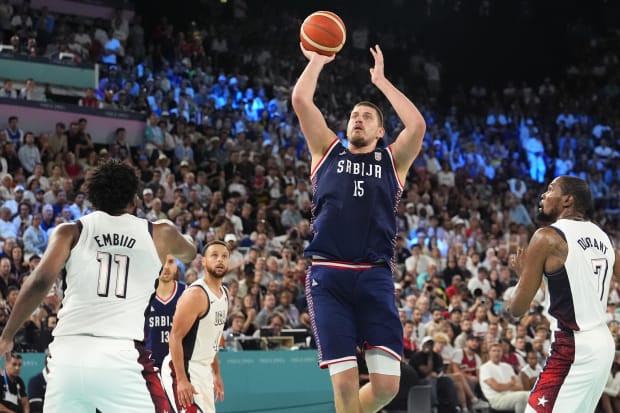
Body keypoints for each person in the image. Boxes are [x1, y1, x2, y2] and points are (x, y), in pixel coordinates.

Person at [292, 42, 426, 413]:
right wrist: (317, 62)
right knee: (347, 384)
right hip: (329, 275)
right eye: (354, 115)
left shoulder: (393, 161)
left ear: (381, 131)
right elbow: (302, 101)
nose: (358, 119)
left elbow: (416, 125)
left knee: (385, 388)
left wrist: (381, 82)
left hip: (375, 275)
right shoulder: (327, 150)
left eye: (367, 116)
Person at [0, 160, 197, 412]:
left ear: (93, 199)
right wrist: (187, 242)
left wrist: (7, 336)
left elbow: (39, 282)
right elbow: (190, 254)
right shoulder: (160, 232)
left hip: (66, 355)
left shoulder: (69, 231)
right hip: (121, 355)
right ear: (134, 199)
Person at [509, 176, 620, 412]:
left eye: (550, 190)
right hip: (602, 344)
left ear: (568, 200)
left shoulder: (547, 236)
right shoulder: (606, 238)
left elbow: (516, 309)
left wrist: (524, 276)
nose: (543, 195)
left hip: (573, 346)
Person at [161, 240, 230, 413]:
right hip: (182, 368)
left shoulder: (225, 294)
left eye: (224, 256)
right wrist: (182, 379)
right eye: (214, 255)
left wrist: (216, 374)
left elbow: (212, 339)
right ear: (204, 261)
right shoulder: (196, 294)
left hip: (204, 370)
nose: (220, 260)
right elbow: (175, 337)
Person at [145, 254, 186, 370]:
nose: (166, 267)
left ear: (176, 266)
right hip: (149, 364)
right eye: (162, 262)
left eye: (171, 262)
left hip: (178, 364)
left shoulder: (187, 292)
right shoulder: (143, 293)